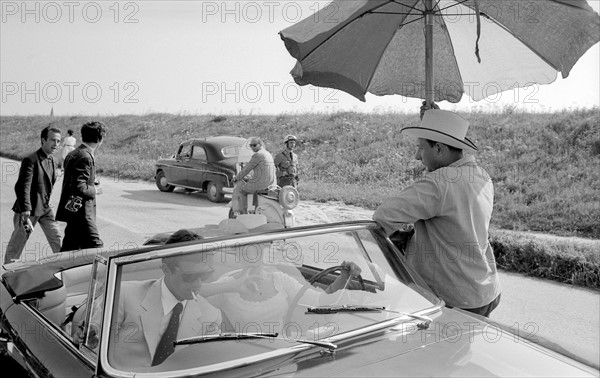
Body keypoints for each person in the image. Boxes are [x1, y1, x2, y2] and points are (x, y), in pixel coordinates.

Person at [373, 109, 501, 317]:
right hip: (484, 289)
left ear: (439, 149)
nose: (417, 156)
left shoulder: (439, 183)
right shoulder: (481, 175)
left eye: (421, 148)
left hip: (454, 298)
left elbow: (383, 217)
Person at [107, 229, 222, 369]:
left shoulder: (211, 316)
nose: (198, 284)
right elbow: (93, 350)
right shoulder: (123, 296)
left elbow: (206, 365)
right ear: (166, 269)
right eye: (189, 277)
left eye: (205, 275)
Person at [4, 125, 62, 264]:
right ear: (43, 140)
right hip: (29, 210)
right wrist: (25, 209)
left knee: (57, 239)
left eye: (59, 141)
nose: (56, 144)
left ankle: (63, 267)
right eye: (53, 140)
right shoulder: (31, 160)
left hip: (46, 208)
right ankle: (6, 274)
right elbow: (22, 186)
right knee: (16, 247)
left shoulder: (53, 160)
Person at [56, 121, 106, 252]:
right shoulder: (85, 156)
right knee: (96, 250)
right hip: (83, 213)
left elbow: (74, 181)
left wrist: (91, 181)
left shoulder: (74, 153)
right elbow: (80, 187)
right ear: (99, 138)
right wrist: (96, 190)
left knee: (69, 252)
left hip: (73, 211)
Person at [231, 137, 276, 214]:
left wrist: (236, 178)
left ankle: (243, 214)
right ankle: (256, 209)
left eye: (254, 145)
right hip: (270, 184)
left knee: (241, 190)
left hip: (261, 184)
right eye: (251, 145)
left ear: (260, 145)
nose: (252, 147)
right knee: (254, 188)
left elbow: (247, 169)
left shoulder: (258, 155)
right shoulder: (268, 154)